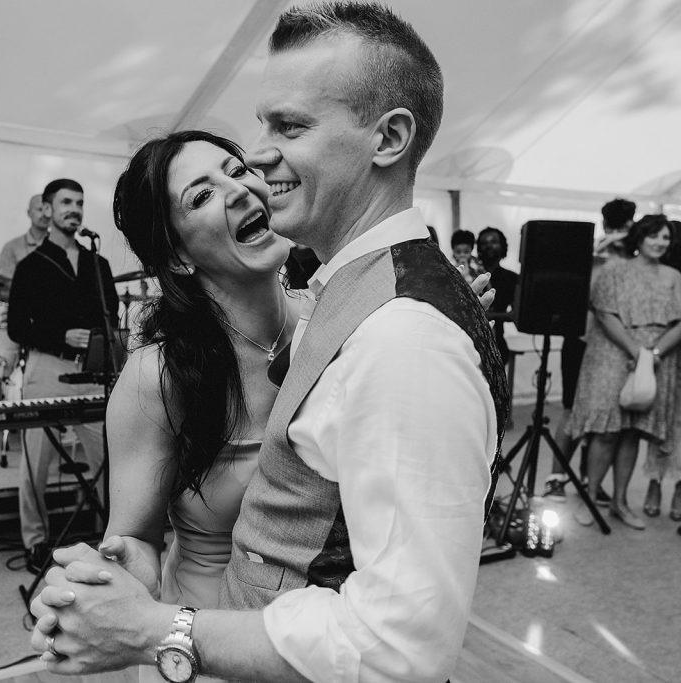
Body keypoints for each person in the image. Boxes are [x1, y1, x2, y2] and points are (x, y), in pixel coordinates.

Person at [30, 4, 509, 682]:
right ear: (180, 257)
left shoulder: (387, 328)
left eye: (288, 125)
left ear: (388, 138)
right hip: (203, 644)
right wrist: (114, 590)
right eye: (202, 194)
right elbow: (135, 535)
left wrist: (432, 315)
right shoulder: (183, 367)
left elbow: (400, 644)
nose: (251, 164)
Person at [6, 178, 119, 575]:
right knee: (37, 461)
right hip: (47, 367)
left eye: (80, 203)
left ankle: (110, 538)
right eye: (66, 202)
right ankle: (36, 542)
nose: (75, 208)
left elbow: (113, 317)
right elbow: (17, 327)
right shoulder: (30, 265)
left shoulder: (97, 263)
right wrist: (60, 335)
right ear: (47, 210)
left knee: (107, 458)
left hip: (91, 371)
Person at [567, 214, 681, 531]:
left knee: (632, 430)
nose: (660, 242)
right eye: (654, 236)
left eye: (666, 237)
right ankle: (589, 497)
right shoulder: (614, 271)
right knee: (606, 430)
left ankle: (620, 502)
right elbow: (603, 312)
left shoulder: (674, 275)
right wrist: (636, 351)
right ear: (639, 238)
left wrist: (653, 354)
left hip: (657, 357)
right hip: (612, 354)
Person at [544, 198, 636, 502]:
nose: (623, 231)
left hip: (613, 348)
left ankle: (588, 478)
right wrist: (602, 249)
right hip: (580, 339)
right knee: (572, 409)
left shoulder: (633, 260)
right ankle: (556, 478)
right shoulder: (591, 254)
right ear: (608, 225)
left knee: (604, 415)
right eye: (618, 225)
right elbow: (581, 293)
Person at [642, 218, 681, 520]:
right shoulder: (664, 268)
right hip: (668, 349)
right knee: (661, 420)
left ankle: (680, 486)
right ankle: (654, 482)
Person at [476, 226, 518, 366]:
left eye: (493, 241)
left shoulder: (512, 278)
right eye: (484, 243)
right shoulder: (471, 274)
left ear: (503, 246)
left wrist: (488, 316)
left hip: (497, 345)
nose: (489, 246)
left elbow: (515, 315)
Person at [0, 193, 50, 292]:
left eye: (47, 210)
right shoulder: (11, 247)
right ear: (29, 213)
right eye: (39, 209)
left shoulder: (60, 246)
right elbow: (4, 286)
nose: (44, 215)